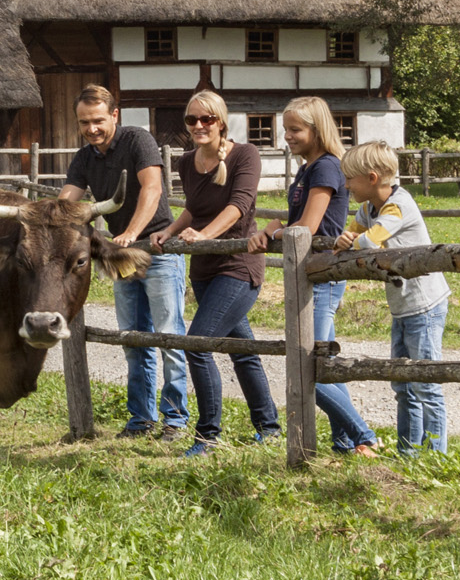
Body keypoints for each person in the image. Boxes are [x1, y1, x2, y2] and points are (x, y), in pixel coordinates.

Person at [249, 95, 378, 457]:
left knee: (308, 367)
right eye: (285, 128)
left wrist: (276, 230)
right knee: (326, 363)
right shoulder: (309, 167)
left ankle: (363, 436)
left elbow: (306, 227)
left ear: (317, 130)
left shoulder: (325, 168)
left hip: (322, 275)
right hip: (311, 272)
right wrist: (280, 228)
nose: (286, 136)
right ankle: (345, 443)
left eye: (295, 129)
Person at [155, 90, 279, 455]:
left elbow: (240, 206)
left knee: (198, 344)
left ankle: (207, 435)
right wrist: (171, 230)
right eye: (191, 120)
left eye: (206, 119)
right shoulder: (186, 161)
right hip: (204, 269)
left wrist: (205, 235)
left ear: (221, 122)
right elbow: (194, 209)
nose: (198, 125)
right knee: (243, 351)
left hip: (238, 266)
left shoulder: (246, 155)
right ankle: (268, 426)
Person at [60, 84, 178, 437]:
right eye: (84, 123)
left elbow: (152, 189)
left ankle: (174, 420)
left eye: (97, 120)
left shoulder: (137, 140)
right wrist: (46, 218)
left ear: (115, 115)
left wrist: (130, 233)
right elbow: (68, 201)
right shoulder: (84, 158)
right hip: (123, 259)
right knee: (133, 340)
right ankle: (141, 419)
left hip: (157, 252)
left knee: (170, 338)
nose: (91, 129)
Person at [336, 140, 448, 456]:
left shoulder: (399, 206)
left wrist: (352, 240)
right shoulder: (367, 208)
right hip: (402, 306)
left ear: (372, 178)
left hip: (424, 303)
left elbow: (369, 240)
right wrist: (347, 239)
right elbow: (349, 237)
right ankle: (409, 452)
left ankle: (436, 455)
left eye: (350, 179)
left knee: (426, 382)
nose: (346, 185)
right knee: (402, 384)